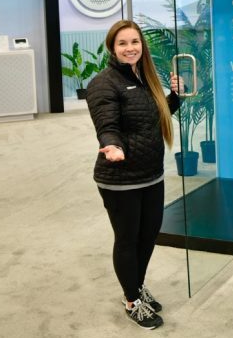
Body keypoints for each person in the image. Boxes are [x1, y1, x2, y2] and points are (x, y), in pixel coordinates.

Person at [85, 19, 181, 330]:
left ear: (142, 45)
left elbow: (152, 118)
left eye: (135, 42)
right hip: (120, 178)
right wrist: (112, 145)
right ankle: (131, 301)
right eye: (123, 43)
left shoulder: (145, 77)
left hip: (151, 173)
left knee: (148, 235)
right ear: (112, 48)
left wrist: (175, 97)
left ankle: (136, 287)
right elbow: (107, 124)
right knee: (127, 240)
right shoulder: (104, 83)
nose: (130, 48)